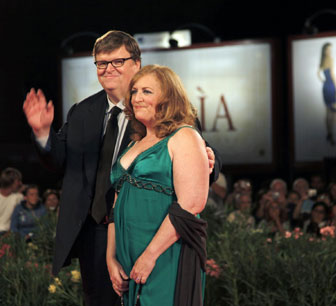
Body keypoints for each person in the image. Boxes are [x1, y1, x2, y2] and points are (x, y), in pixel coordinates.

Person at [23, 30, 221, 305]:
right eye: (101, 63)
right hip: (96, 236)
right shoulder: (81, 112)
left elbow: (197, 153)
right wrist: (43, 133)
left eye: (117, 61)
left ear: (137, 64)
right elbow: (58, 161)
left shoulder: (161, 109)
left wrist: (208, 159)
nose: (108, 69)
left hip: (154, 232)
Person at [107, 65, 209, 305]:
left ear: (168, 97)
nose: (137, 98)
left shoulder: (184, 136)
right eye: (134, 91)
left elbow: (191, 203)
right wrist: (110, 258)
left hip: (165, 255)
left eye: (147, 91)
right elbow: (115, 205)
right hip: (128, 259)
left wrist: (149, 257)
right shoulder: (135, 143)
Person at [317, 42, 336, 146]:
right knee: (333, 112)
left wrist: (323, 80)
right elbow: (332, 74)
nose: (330, 51)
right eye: (328, 49)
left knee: (328, 112)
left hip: (325, 86)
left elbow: (318, 73)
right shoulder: (330, 59)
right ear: (325, 50)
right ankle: (331, 134)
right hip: (330, 86)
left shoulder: (322, 60)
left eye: (330, 49)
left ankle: (329, 133)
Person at [0, 167, 24, 236]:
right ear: (11, 182)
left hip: (9, 234)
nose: (20, 183)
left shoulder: (19, 197)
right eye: (18, 181)